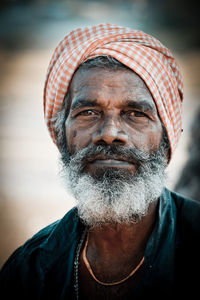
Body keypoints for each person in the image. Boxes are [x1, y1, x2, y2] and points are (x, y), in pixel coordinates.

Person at [0, 23, 200, 300]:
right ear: (61, 135)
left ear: (167, 139)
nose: (109, 134)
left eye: (134, 114)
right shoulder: (29, 270)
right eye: (89, 112)